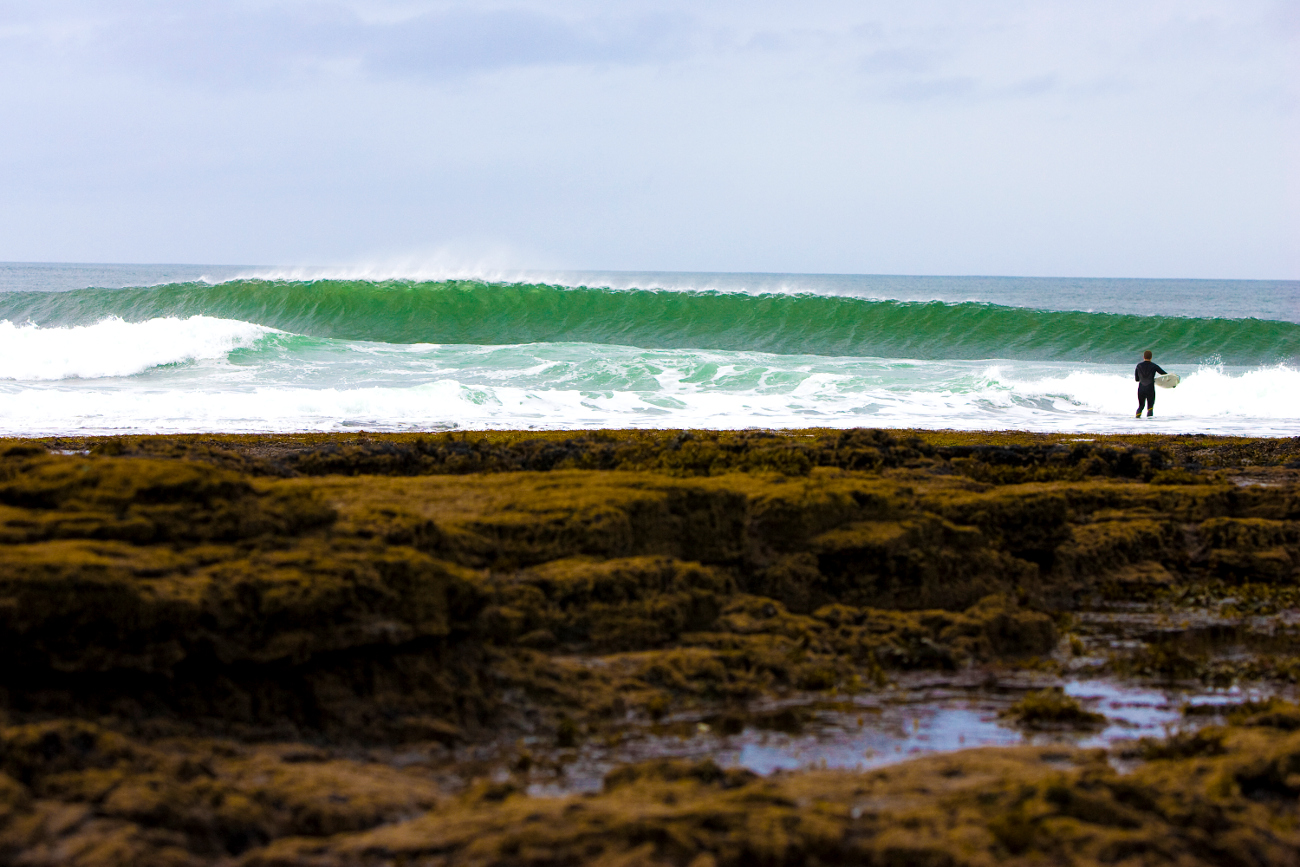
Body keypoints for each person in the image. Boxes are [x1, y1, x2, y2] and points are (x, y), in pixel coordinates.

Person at [1134, 350, 1167, 418]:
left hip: (1141, 388)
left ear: (1143, 357)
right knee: (1150, 408)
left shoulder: (1139, 366)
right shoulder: (1154, 366)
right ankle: (1149, 425)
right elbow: (1165, 374)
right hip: (1150, 388)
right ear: (1151, 357)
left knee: (1141, 406)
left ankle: (1136, 421)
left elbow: (1137, 379)